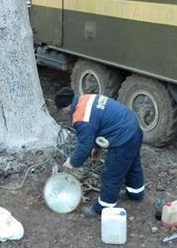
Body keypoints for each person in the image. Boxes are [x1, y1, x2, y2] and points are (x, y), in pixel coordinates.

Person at [55, 87, 145, 218]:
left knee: (111, 175)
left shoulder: (80, 118)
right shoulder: (86, 99)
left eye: (63, 111)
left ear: (66, 107)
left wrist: (73, 162)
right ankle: (135, 194)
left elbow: (84, 146)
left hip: (123, 139)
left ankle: (103, 207)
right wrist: (96, 147)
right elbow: (98, 124)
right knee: (132, 164)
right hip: (133, 128)